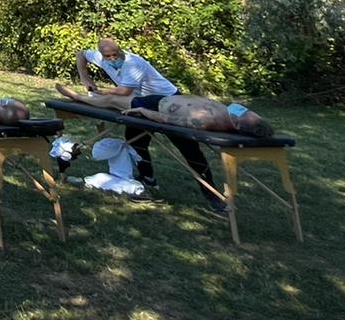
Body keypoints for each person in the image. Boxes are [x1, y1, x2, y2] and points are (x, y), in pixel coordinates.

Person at [70, 37, 227, 214]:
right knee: (136, 141)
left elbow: (124, 91)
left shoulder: (133, 63)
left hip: (169, 103)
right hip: (139, 104)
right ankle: (147, 178)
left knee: (188, 148)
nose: (113, 58)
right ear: (101, 55)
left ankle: (214, 196)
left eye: (116, 54)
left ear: (121, 51)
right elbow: (81, 54)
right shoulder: (98, 56)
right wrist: (85, 78)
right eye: (108, 56)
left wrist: (100, 92)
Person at [54, 85, 274, 137]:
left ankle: (77, 97)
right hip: (166, 98)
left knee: (112, 101)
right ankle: (85, 97)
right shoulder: (240, 113)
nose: (240, 109)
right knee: (115, 99)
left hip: (154, 106)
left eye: (241, 113)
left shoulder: (209, 123)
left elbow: (169, 121)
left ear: (237, 124)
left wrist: (143, 111)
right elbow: (240, 109)